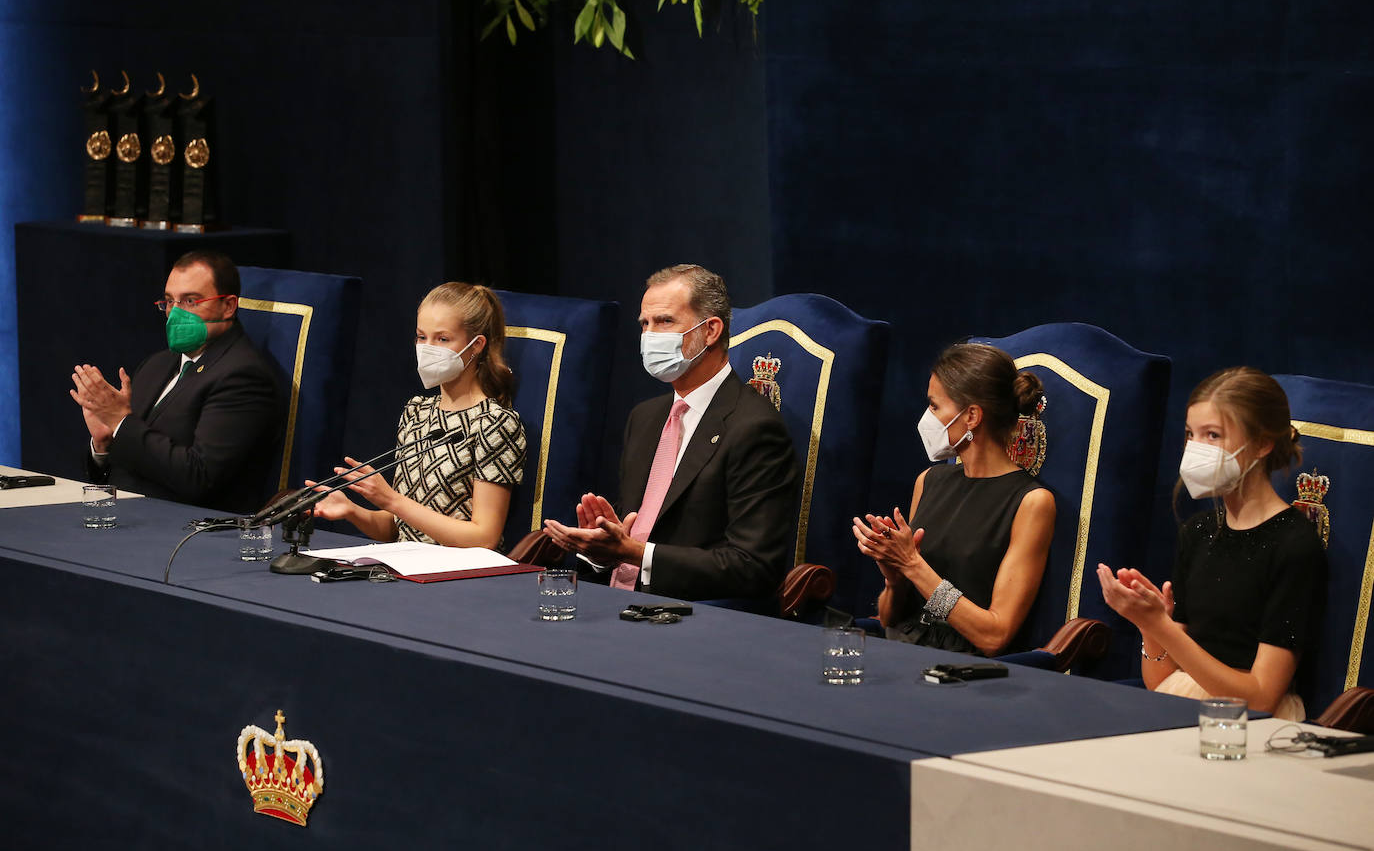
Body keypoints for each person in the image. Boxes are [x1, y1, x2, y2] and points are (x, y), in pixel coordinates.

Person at [542, 264, 801, 601]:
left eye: (664, 321)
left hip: (690, 616)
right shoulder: (645, 417)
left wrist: (633, 552)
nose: (650, 336)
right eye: (644, 324)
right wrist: (602, 551)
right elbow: (635, 531)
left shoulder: (754, 428)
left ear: (710, 331)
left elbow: (752, 566)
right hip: (612, 605)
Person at [1097, 367, 1324, 718]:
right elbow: (1160, 681)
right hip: (1184, 703)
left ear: (1263, 443)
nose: (1196, 450)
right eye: (1191, 435)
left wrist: (1161, 627)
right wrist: (1149, 626)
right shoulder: (1198, 531)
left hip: (1252, 720)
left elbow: (1262, 697)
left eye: (1213, 435)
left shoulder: (1293, 544)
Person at [853, 343, 1056, 655]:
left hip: (963, 670)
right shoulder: (929, 481)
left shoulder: (1032, 502)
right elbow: (888, 618)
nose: (927, 418)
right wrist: (895, 577)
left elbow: (995, 635)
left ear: (972, 416)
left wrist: (912, 564)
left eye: (934, 406)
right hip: (900, 652)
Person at [309, 282, 525, 548]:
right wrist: (353, 511)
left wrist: (391, 500)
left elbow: (484, 538)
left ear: (476, 345)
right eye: (422, 337)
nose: (427, 348)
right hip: (405, 566)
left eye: (442, 339)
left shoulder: (495, 423)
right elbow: (397, 528)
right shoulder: (417, 411)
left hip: (460, 576)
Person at [70, 250, 282, 513]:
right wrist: (104, 445)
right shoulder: (157, 364)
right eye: (170, 302)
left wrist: (122, 422)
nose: (175, 314)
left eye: (191, 301)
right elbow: (127, 464)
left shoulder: (243, 377)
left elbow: (199, 478)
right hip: (122, 519)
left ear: (228, 306)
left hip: (188, 533)